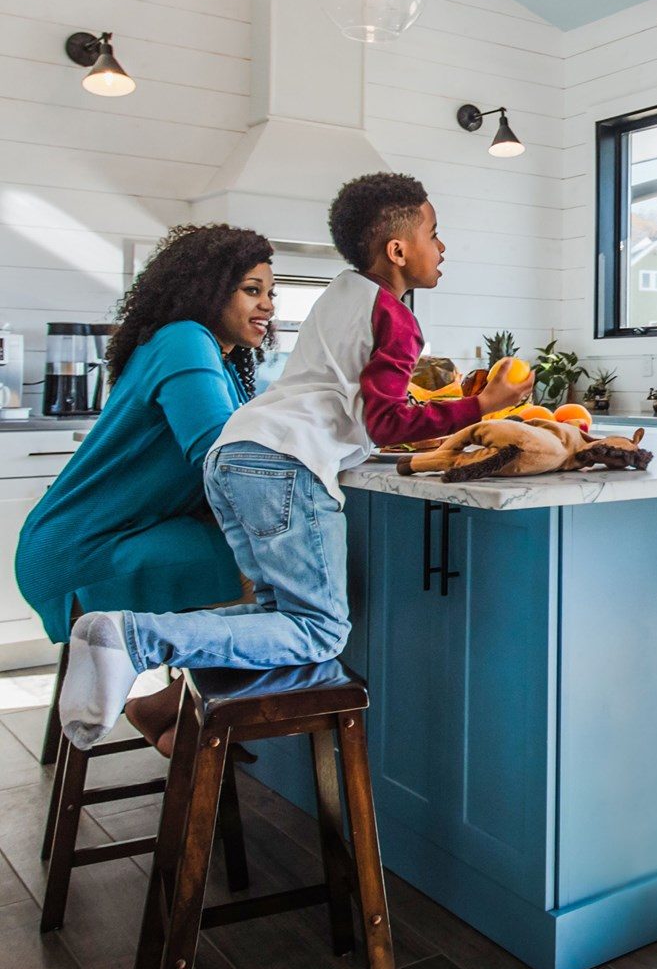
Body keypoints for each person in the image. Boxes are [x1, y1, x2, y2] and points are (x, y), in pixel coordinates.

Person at [57, 173, 533, 748]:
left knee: (277, 614)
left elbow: (355, 400)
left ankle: (124, 653)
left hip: (236, 454)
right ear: (398, 250)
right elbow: (385, 421)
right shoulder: (397, 318)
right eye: (434, 233)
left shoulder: (343, 291)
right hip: (286, 465)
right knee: (320, 631)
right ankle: (136, 640)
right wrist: (483, 404)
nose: (443, 246)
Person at [17, 224, 276, 748]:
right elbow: (218, 456)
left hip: (116, 535)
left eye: (271, 293)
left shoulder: (216, 358)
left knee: (283, 571)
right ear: (208, 288)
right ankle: (182, 714)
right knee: (284, 576)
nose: (267, 305)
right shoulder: (184, 339)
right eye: (252, 290)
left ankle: (169, 710)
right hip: (84, 551)